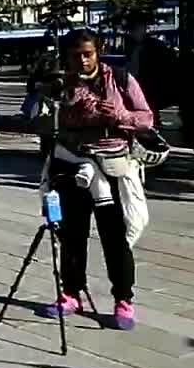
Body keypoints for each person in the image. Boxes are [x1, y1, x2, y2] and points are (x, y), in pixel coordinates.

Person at [43, 29, 152, 330]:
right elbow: (41, 122)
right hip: (70, 162)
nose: (83, 59)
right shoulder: (62, 84)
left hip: (110, 166)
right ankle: (70, 293)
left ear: (98, 52)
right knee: (72, 235)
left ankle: (123, 300)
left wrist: (119, 116)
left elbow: (146, 117)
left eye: (88, 53)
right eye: (76, 54)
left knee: (114, 237)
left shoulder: (120, 79)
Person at [125, 23, 175, 127]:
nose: (132, 34)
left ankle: (152, 128)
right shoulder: (134, 46)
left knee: (149, 109)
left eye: (134, 31)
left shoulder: (152, 46)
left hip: (150, 85)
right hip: (144, 84)